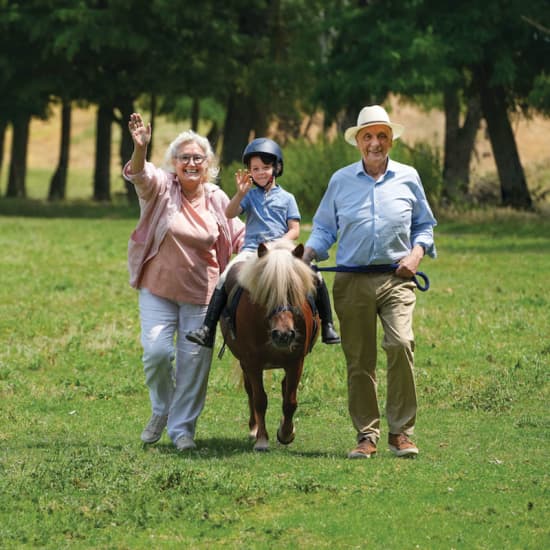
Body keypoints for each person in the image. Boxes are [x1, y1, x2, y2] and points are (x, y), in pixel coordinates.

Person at [302, 105, 437, 459]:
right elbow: (324, 228)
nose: (375, 143)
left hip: (397, 278)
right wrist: (309, 254)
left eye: (381, 136)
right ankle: (366, 435)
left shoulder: (408, 177)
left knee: (401, 343)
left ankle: (401, 432)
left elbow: (424, 225)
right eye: (368, 137)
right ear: (358, 142)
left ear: (390, 140)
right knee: (359, 360)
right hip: (352, 280)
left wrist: (416, 254)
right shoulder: (340, 180)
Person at [124, 113, 244, 452]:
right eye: (184, 158)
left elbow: (239, 237)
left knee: (194, 364)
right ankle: (162, 410)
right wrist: (140, 147)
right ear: (174, 163)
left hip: (201, 293)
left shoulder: (218, 198)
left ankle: (182, 432)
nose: (191, 163)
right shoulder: (162, 188)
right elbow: (139, 174)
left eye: (198, 158)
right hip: (158, 288)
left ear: (207, 165)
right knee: (157, 353)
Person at [186, 137, 340, 348]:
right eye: (255, 168)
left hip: (283, 250)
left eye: (265, 167)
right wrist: (240, 194)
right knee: (225, 277)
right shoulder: (249, 195)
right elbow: (229, 213)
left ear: (277, 168)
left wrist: (277, 244)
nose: (260, 172)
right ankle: (207, 329)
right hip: (252, 250)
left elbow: (294, 230)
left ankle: (328, 325)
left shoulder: (287, 198)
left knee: (315, 273)